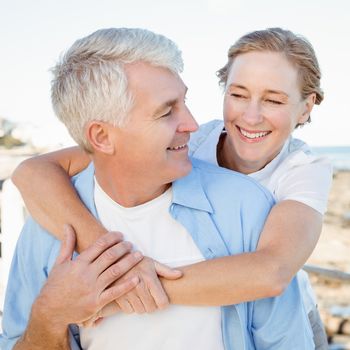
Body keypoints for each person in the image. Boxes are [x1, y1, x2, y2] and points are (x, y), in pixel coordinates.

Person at [10, 28, 332, 348]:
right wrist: (105, 255)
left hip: (293, 309)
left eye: (274, 100)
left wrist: (119, 287)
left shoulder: (296, 175)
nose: (251, 116)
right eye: (237, 95)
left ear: (305, 108)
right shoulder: (193, 142)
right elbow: (35, 170)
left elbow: (272, 273)